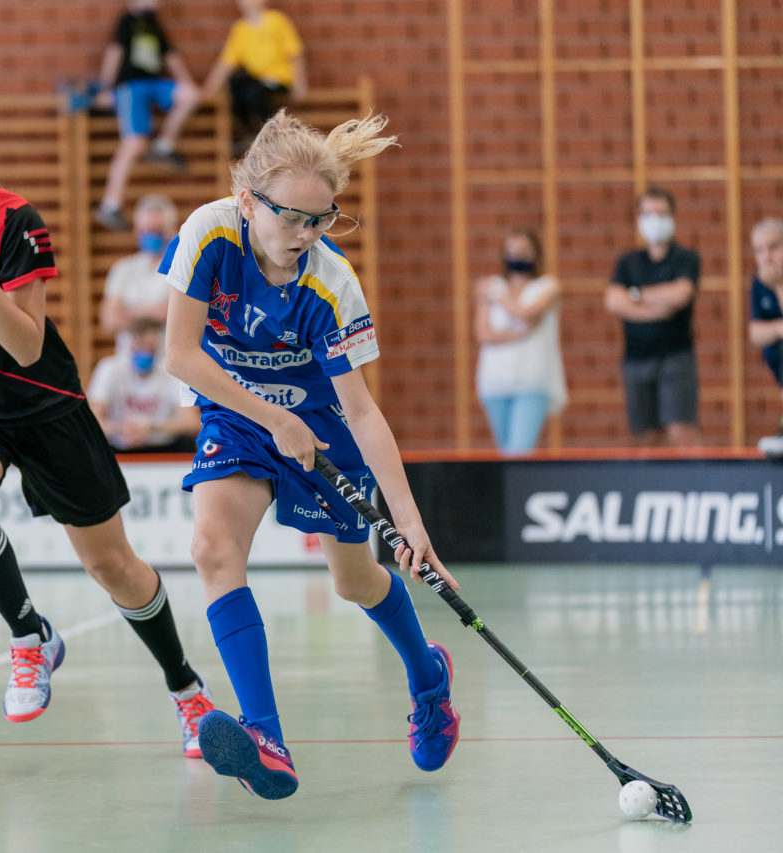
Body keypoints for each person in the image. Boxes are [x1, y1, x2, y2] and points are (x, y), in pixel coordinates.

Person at [0, 85, 214, 755]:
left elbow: (25, 343)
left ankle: (186, 688)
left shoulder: (16, 222)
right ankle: (30, 637)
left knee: (112, 565)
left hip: (43, 402)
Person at [162, 109, 461, 800]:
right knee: (212, 548)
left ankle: (427, 677)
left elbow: (361, 409)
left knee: (355, 581)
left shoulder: (331, 283)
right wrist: (269, 414)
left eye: (320, 219)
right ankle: (266, 737)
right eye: (291, 217)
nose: (304, 235)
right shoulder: (207, 234)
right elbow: (179, 353)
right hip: (236, 408)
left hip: (321, 422)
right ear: (247, 201)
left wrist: (409, 521)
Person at [604, 187, 701, 446]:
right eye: (648, 213)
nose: (654, 219)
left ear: (673, 216)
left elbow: (679, 296)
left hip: (675, 357)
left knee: (680, 431)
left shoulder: (686, 259)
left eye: (661, 213)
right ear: (638, 218)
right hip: (636, 359)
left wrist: (633, 298)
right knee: (644, 439)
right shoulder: (628, 262)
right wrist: (656, 304)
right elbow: (613, 301)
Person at [93, 0, 201, 232]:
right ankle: (110, 203)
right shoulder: (127, 21)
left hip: (154, 83)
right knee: (135, 143)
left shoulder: (154, 23)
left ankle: (163, 145)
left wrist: (186, 80)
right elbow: (115, 52)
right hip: (131, 86)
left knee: (190, 95)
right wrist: (105, 87)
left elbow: (170, 55)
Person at [473, 228, 568, 455]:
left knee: (520, 451)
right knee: (505, 453)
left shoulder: (548, 286)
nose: (517, 257)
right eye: (512, 251)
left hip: (532, 382)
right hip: (494, 383)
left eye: (524, 251)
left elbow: (527, 313)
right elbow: (484, 335)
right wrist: (521, 333)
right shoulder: (491, 286)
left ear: (536, 254)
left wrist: (500, 297)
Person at [201, 0, 307, 155]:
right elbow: (225, 63)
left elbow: (295, 53)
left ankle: (274, 132)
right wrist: (209, 89)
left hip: (278, 80)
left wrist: (300, 83)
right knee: (236, 83)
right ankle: (246, 130)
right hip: (255, 82)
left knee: (252, 92)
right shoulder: (240, 29)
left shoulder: (277, 20)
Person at [88, 317, 200, 453]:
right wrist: (122, 429)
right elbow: (93, 421)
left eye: (150, 347)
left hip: (163, 447)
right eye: (139, 346)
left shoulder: (171, 372)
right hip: (119, 445)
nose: (144, 352)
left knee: (187, 442)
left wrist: (149, 428)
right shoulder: (109, 369)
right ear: (127, 346)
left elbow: (192, 422)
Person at [99, 194, 180, 350]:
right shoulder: (123, 269)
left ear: (172, 230)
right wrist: (153, 313)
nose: (151, 235)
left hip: (168, 365)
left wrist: (129, 311)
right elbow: (109, 318)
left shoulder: (183, 269)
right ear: (137, 231)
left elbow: (171, 314)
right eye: (146, 230)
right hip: (128, 363)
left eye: (157, 230)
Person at [747, 216, 783, 454]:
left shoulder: (773, 281)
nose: (766, 257)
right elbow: (755, 333)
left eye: (773, 248)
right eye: (759, 250)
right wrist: (778, 328)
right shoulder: (760, 283)